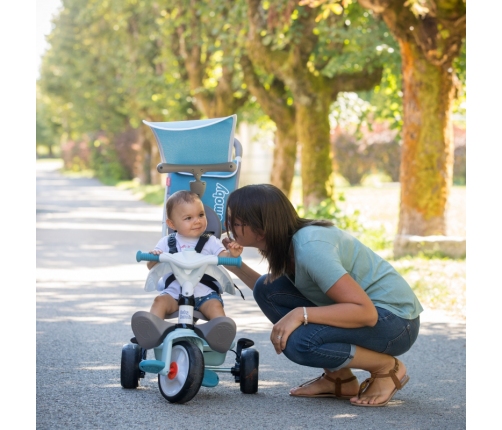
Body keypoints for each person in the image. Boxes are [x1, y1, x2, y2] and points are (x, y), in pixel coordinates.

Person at [222, 184, 423, 407]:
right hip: (377, 315)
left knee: (299, 342)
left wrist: (300, 314)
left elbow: (367, 313)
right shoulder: (284, 244)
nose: (229, 226)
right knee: (265, 288)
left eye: (236, 222)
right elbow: (272, 293)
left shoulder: (310, 249)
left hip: (395, 323)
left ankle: (386, 368)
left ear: (261, 229)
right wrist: (235, 265)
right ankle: (339, 378)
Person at [146, 190, 243, 322]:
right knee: (159, 301)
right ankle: (150, 330)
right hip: (174, 294)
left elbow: (226, 259)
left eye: (201, 215)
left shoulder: (210, 241)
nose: (197, 221)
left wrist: (232, 254)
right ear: (172, 224)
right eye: (188, 218)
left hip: (205, 295)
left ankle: (220, 333)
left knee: (215, 306)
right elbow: (150, 266)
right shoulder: (167, 242)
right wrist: (154, 257)